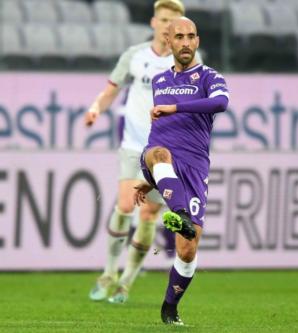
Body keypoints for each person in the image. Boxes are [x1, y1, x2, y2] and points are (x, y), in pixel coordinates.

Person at [85, 0, 188, 304]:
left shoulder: (185, 64)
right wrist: (95, 109)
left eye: (175, 21)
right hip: (133, 146)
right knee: (125, 205)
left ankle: (126, 282)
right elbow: (111, 90)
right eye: (164, 19)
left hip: (164, 153)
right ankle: (108, 272)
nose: (169, 25)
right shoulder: (135, 56)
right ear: (154, 22)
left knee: (148, 215)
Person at [134, 17, 229, 326]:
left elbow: (220, 103)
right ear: (169, 42)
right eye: (179, 37)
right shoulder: (160, 81)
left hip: (193, 167)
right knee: (158, 152)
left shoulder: (209, 76)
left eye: (191, 36)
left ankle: (169, 307)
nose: (185, 42)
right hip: (160, 155)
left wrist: (175, 108)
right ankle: (179, 212)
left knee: (187, 250)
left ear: (197, 42)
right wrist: (149, 176)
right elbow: (157, 131)